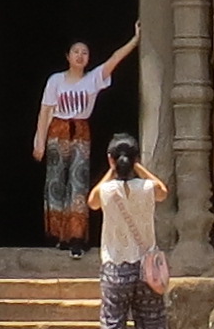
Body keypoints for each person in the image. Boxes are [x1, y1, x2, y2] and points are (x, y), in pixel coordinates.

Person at [33, 28, 140, 247]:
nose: (80, 56)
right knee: (56, 181)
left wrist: (135, 40)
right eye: (76, 51)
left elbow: (115, 59)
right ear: (68, 56)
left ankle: (75, 236)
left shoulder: (93, 79)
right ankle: (57, 235)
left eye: (85, 52)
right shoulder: (56, 81)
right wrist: (39, 140)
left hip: (81, 131)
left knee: (78, 182)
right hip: (58, 130)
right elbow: (45, 111)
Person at [90, 136, 174, 329]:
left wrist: (112, 169)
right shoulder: (147, 188)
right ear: (136, 159)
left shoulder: (107, 191)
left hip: (115, 269)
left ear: (111, 159)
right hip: (146, 270)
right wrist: (139, 168)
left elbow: (91, 202)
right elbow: (163, 190)